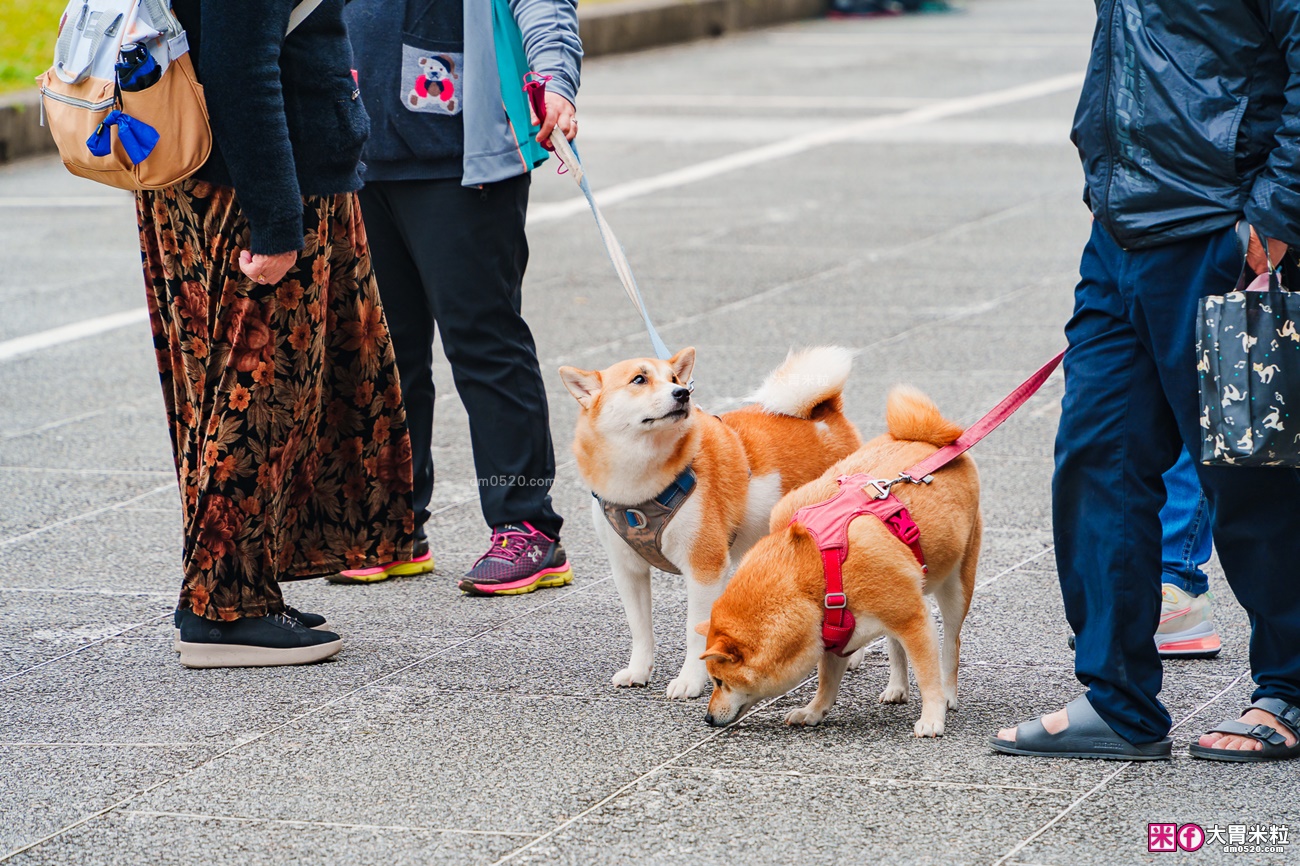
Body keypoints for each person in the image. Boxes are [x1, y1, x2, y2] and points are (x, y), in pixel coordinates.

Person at [992, 1, 1300, 761]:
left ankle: (1291, 688)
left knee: (1251, 474)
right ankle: (1118, 698)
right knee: (1097, 456)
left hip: (1224, 228)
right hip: (1122, 226)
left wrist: (1280, 204)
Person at [140, 0, 416, 667]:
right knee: (258, 400)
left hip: (211, 175)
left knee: (228, 398)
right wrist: (276, 223)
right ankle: (223, 613)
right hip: (253, 191)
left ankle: (234, 591)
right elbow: (240, 67)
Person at [331, 0, 581, 597]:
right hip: (360, 150)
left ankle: (526, 524)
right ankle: (394, 523)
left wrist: (555, 79)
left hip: (462, 159)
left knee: (483, 342)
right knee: (381, 351)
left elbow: (544, 6)